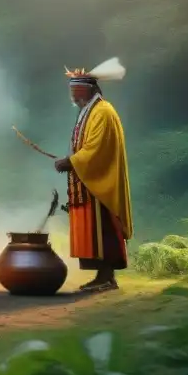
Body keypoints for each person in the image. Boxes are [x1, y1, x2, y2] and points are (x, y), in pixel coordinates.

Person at [54, 58, 134, 292]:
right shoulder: (91, 110)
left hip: (101, 181)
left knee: (104, 228)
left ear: (84, 91)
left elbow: (97, 148)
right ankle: (102, 276)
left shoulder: (103, 112)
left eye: (74, 92)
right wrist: (73, 161)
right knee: (94, 229)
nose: (72, 98)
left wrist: (71, 161)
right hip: (89, 180)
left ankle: (107, 277)